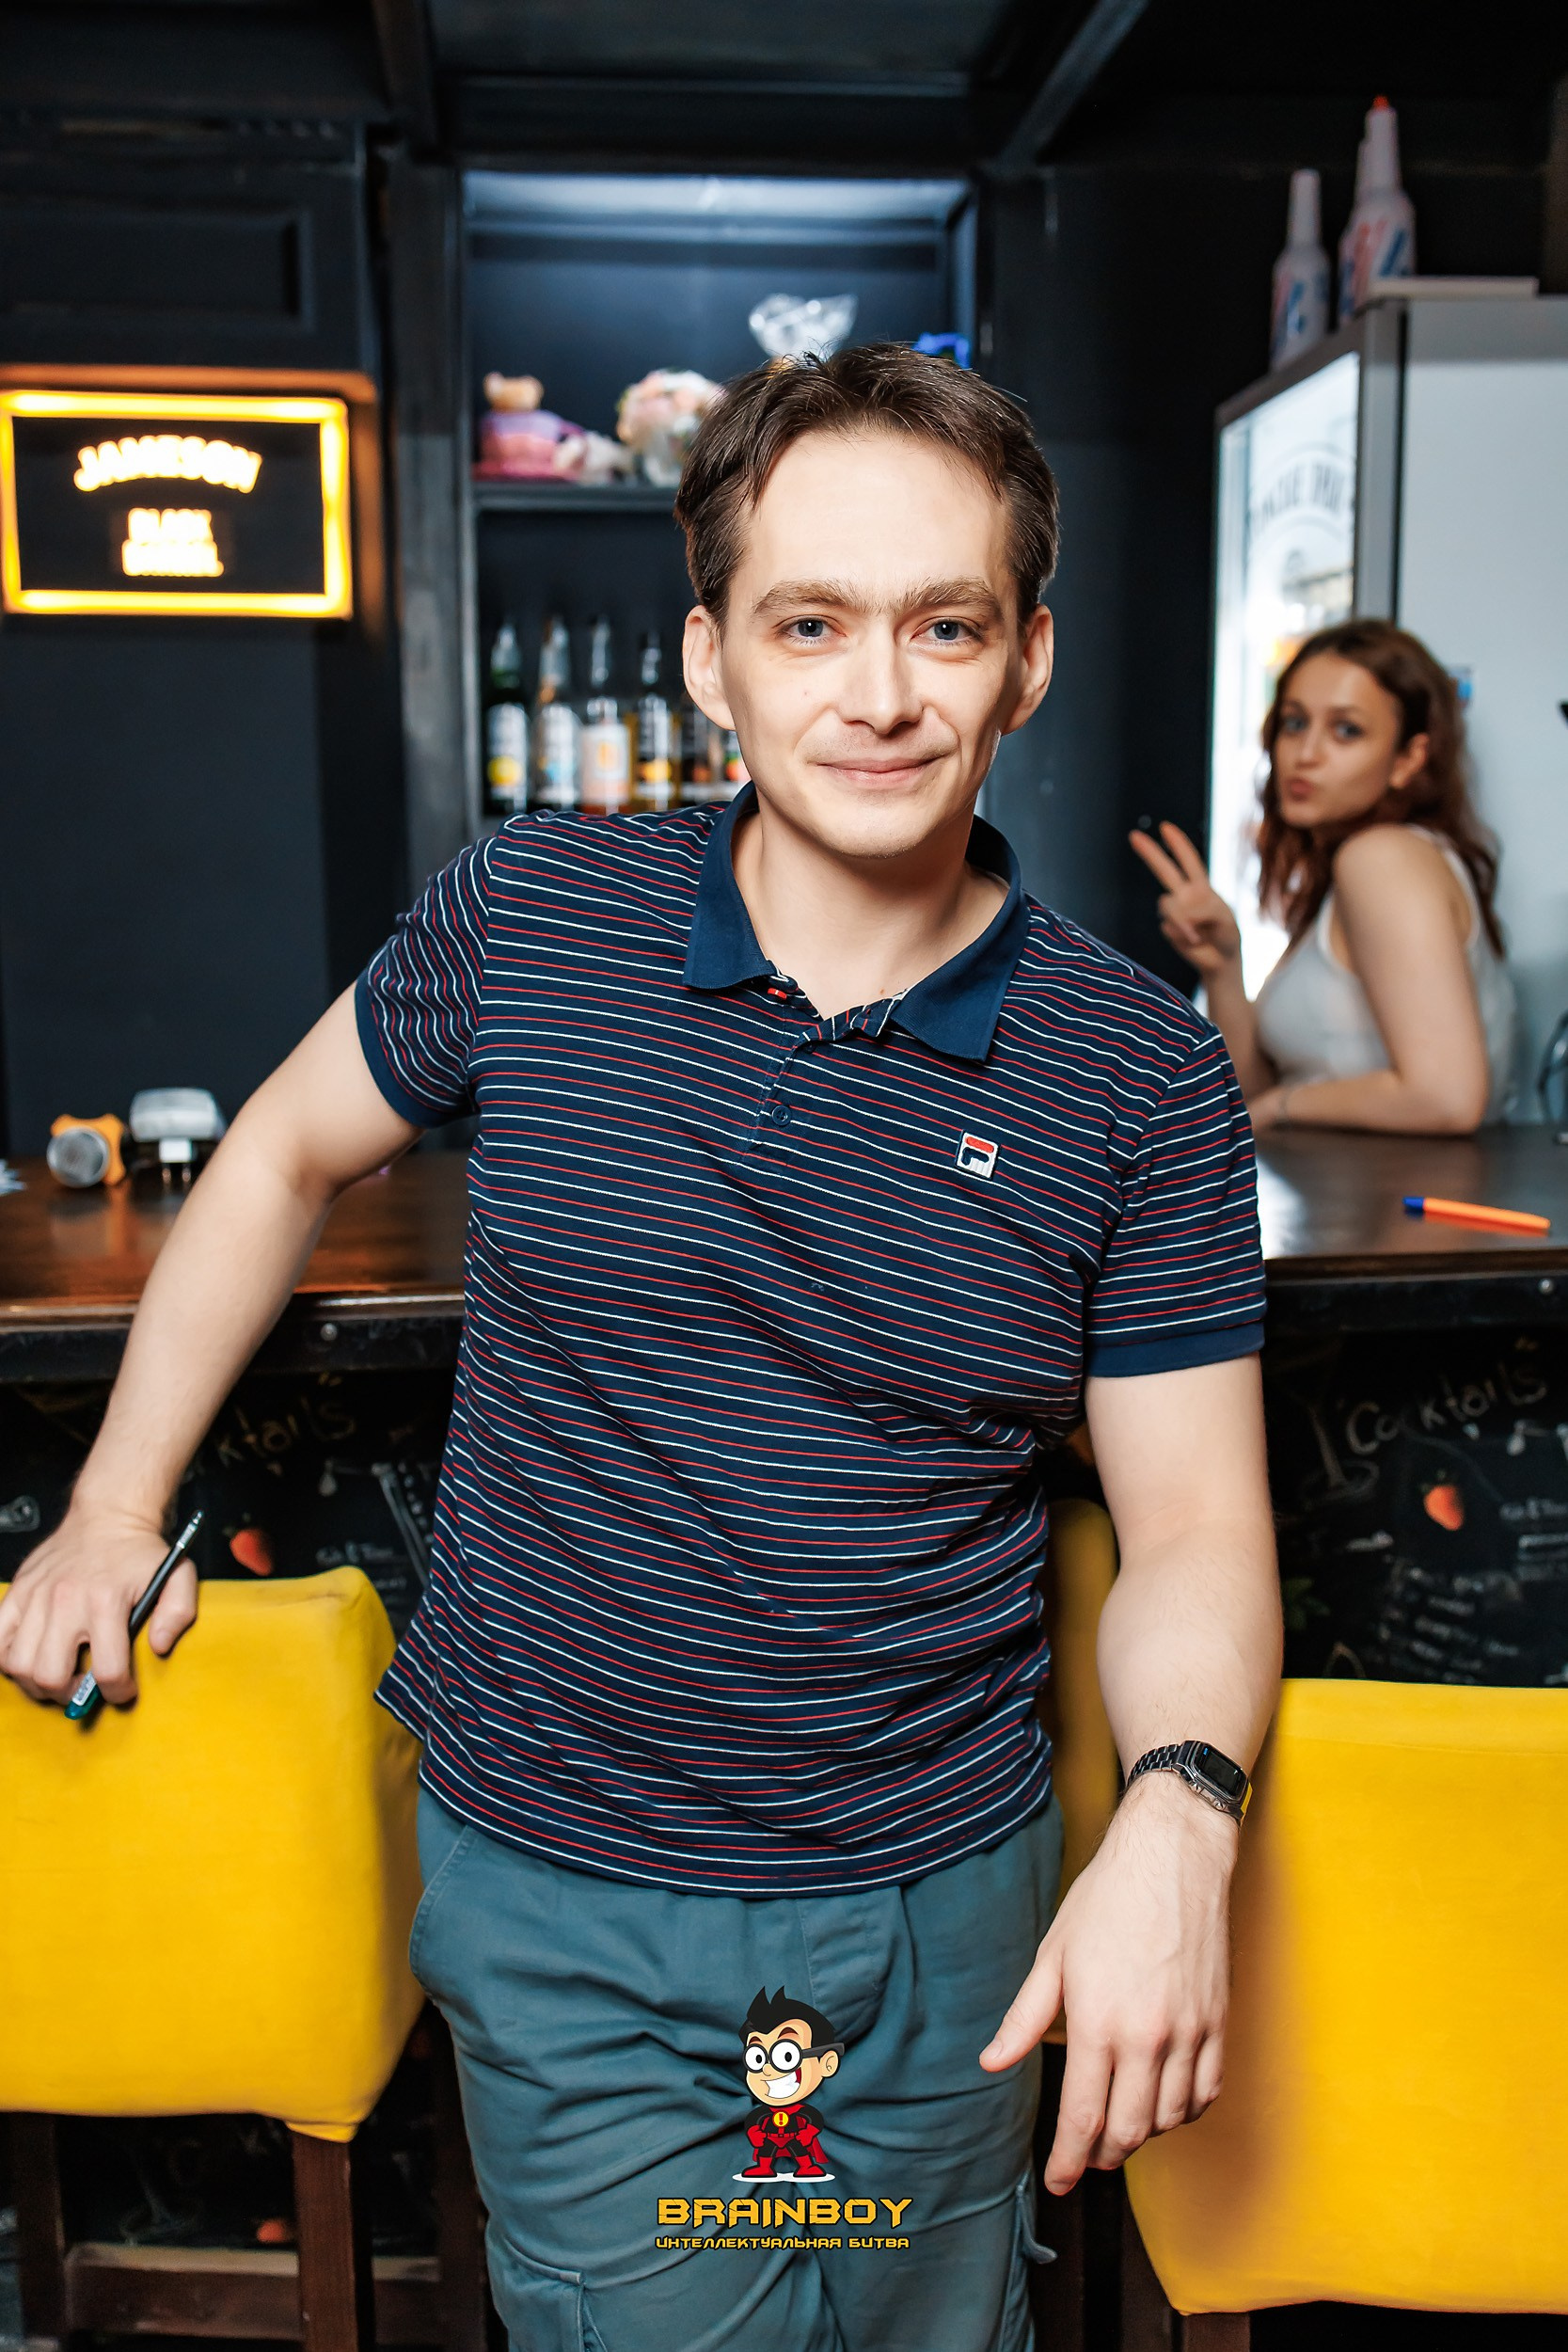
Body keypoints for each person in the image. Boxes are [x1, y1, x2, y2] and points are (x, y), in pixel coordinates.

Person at [0, 347, 1281, 2352]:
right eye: (808, 623)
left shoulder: (1134, 1068)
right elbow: (272, 1158)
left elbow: (1193, 1521)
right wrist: (106, 1503)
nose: (878, 692)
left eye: (943, 625)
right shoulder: (532, 913)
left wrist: (1182, 1818)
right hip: (563, 1893)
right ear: (709, 661)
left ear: (1025, 660)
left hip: (943, 1907)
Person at [1132, 619, 1516, 1132]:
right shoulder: (1360, 867)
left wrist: (1283, 1105)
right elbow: (1247, 1096)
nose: (1306, 754)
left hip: (1390, 1184)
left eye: (1346, 730)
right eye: (1294, 723)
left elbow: (1446, 1097)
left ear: (1408, 759)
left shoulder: (1381, 857)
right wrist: (1224, 966)